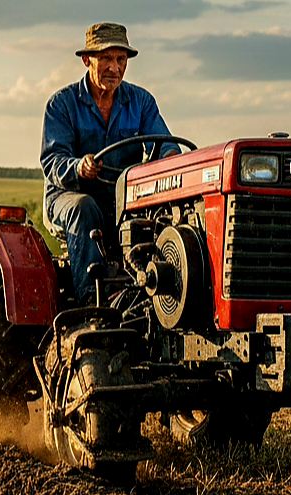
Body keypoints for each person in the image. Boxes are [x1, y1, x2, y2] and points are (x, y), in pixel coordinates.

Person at [40, 22, 177, 305]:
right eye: (106, 59)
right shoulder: (62, 105)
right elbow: (52, 161)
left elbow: (165, 145)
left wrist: (172, 159)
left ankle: (157, 294)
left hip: (121, 202)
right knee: (84, 207)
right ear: (87, 60)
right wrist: (78, 167)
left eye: (120, 59)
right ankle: (91, 302)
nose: (114, 68)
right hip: (69, 197)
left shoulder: (141, 102)